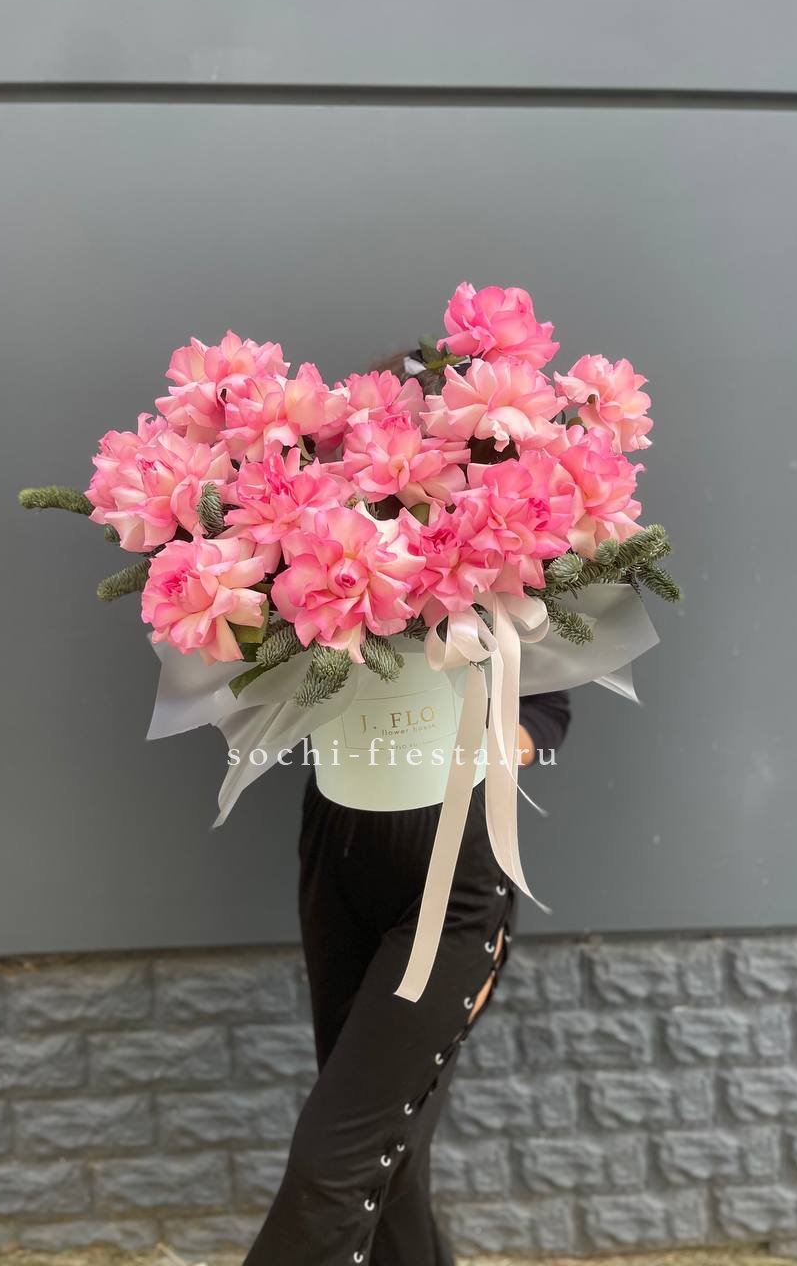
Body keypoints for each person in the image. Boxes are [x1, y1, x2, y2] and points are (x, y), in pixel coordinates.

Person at [243, 353, 573, 1266]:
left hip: (454, 864)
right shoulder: (309, 549)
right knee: (389, 1157)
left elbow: (547, 699)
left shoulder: (506, 548)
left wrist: (503, 739)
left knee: (337, 1161)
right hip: (338, 841)